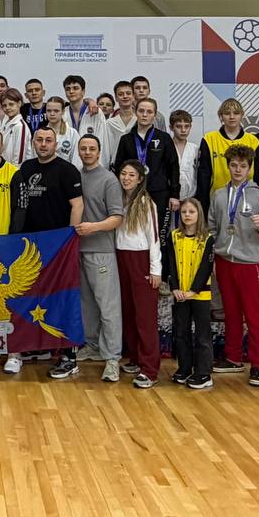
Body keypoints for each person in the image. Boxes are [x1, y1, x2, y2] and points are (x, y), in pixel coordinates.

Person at [5, 126, 84, 374]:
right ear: (33, 143)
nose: (43, 144)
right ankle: (36, 346)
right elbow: (19, 207)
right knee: (31, 298)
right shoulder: (25, 169)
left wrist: (70, 237)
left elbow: (77, 205)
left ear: (55, 144)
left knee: (61, 298)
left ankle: (69, 354)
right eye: (39, 139)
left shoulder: (67, 170)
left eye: (48, 140)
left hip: (58, 244)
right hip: (30, 247)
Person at [207, 144, 259, 387]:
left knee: (254, 315)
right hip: (225, 261)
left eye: (242, 166)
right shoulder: (218, 195)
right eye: (233, 165)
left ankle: (258, 365)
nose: (237, 169)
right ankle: (233, 357)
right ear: (228, 166)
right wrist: (213, 256)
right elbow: (212, 228)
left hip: (251, 263)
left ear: (250, 168)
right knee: (231, 312)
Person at [66, 135, 125, 383]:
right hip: (77, 251)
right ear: (78, 151)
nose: (87, 152)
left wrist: (94, 227)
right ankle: (92, 346)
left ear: (99, 152)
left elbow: (117, 218)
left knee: (108, 306)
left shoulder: (109, 180)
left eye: (92, 148)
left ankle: (112, 358)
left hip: (101, 251)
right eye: (83, 148)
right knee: (87, 305)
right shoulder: (74, 176)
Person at [114, 160, 161, 389]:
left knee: (145, 316)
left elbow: (154, 237)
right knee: (128, 312)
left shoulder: (146, 203)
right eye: (123, 174)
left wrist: (155, 269)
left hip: (141, 260)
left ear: (140, 178)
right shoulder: (118, 200)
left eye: (131, 175)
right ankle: (135, 357)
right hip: (121, 258)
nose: (126, 178)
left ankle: (149, 369)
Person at [163, 197, 214, 389]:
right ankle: (184, 368)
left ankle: (203, 373)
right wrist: (175, 288)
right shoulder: (174, 236)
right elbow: (171, 264)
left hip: (200, 294)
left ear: (199, 214)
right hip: (180, 294)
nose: (187, 215)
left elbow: (206, 267)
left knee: (202, 334)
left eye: (191, 212)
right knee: (181, 332)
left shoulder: (207, 238)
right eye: (184, 212)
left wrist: (194, 290)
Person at [113, 98, 179, 240]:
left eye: (149, 112)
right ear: (135, 112)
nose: (144, 115)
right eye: (141, 111)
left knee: (158, 235)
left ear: (155, 115)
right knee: (134, 233)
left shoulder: (164, 138)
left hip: (159, 193)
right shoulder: (126, 139)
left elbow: (173, 166)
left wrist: (175, 194)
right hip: (133, 194)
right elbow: (119, 167)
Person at [194, 97, 258, 203]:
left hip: (247, 198)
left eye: (236, 113)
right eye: (227, 113)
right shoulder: (209, 139)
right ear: (221, 116)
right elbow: (204, 174)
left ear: (242, 115)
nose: (232, 117)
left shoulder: (253, 141)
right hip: (216, 199)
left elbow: (257, 175)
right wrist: (203, 202)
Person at [169, 110, 199, 219]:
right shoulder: (166, 147)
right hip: (170, 198)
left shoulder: (195, 149)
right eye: (178, 126)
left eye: (187, 126)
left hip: (191, 198)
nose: (183, 130)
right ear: (171, 127)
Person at [61, 74, 104, 141]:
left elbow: (102, 139)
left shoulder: (95, 111)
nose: (71, 91)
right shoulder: (62, 113)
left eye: (75, 88)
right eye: (67, 89)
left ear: (83, 92)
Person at [0, 88, 33, 166]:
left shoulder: (20, 126)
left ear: (19, 103)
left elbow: (19, 158)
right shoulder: (6, 123)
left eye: (11, 104)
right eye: (4, 105)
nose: (7, 108)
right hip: (4, 167)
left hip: (14, 169)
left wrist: (14, 172)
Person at [43, 96, 81, 168]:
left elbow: (77, 162)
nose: (52, 114)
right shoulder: (40, 133)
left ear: (63, 112)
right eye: (49, 111)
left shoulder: (72, 134)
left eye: (56, 111)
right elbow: (35, 158)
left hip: (66, 173)